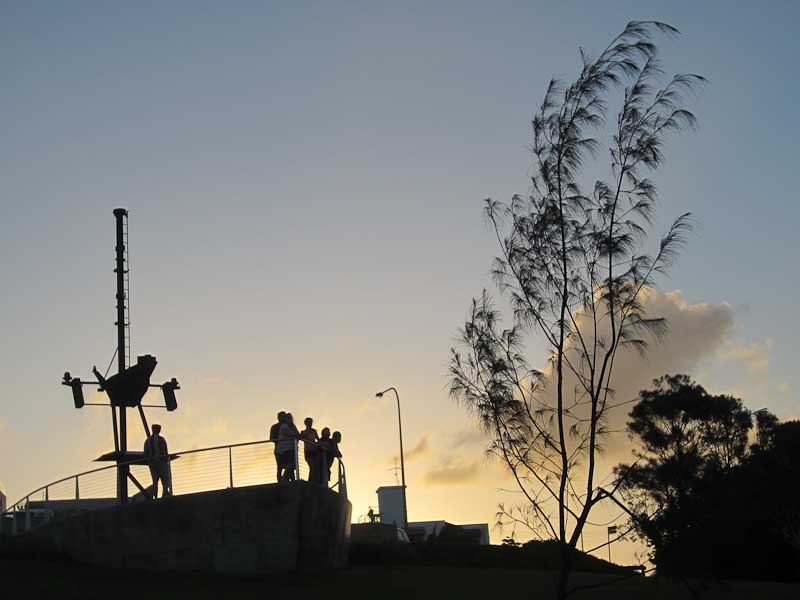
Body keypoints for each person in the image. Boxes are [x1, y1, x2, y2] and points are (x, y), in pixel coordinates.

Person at [143, 424, 171, 498]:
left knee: (156, 481)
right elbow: (165, 451)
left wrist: (149, 461)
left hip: (155, 463)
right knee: (163, 480)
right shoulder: (161, 440)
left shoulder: (148, 441)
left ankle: (159, 495)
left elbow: (145, 453)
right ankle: (163, 495)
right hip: (159, 463)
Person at [277, 413, 299, 482]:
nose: (290, 419)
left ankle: (291, 479)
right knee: (289, 464)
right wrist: (299, 435)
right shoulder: (284, 426)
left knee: (292, 464)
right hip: (284, 450)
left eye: (290, 418)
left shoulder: (293, 426)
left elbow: (297, 434)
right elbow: (291, 434)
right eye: (288, 418)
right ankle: (284, 478)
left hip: (291, 449)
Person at [299, 417, 320, 483]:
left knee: (314, 466)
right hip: (308, 451)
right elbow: (300, 438)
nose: (310, 424)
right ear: (305, 423)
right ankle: (311, 481)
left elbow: (318, 440)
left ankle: (312, 481)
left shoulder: (314, 431)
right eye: (308, 422)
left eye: (310, 422)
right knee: (312, 466)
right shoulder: (303, 432)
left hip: (314, 451)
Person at [269, 411, 286, 482]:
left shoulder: (288, 425)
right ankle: (280, 481)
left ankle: (286, 479)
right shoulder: (275, 427)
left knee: (289, 466)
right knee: (280, 466)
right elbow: (272, 438)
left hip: (287, 448)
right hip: (279, 449)